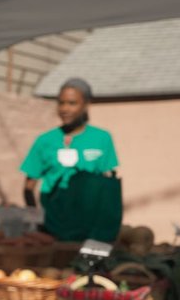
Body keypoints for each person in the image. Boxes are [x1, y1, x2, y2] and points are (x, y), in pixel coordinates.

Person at [19, 77, 122, 241]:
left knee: (89, 265)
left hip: (89, 228)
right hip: (53, 228)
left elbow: (107, 187)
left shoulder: (102, 139)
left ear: (86, 104)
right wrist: (38, 225)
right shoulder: (45, 141)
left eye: (72, 103)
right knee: (56, 266)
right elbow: (28, 188)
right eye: (61, 103)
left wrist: (104, 232)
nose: (65, 109)